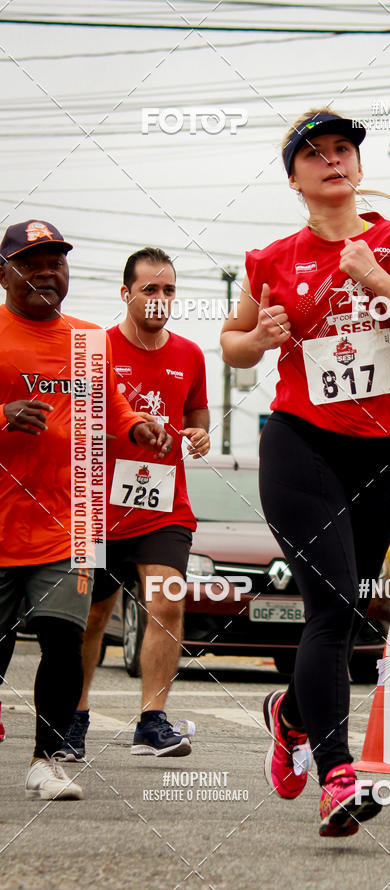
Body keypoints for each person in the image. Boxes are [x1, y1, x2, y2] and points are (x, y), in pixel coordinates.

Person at [220, 109, 390, 837]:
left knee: (350, 609)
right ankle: (338, 775)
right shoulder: (271, 259)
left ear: (356, 166)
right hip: (300, 445)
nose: (332, 160)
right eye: (314, 154)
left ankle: (287, 712)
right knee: (327, 605)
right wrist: (256, 337)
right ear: (294, 178)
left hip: (378, 449)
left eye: (343, 149)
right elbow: (232, 343)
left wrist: (377, 276)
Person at [0, 221, 171, 799]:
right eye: (31, 262)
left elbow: (116, 406)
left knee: (62, 640)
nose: (47, 272)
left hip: (69, 522)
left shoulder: (88, 340)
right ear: (3, 274)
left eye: (56, 262)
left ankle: (47, 760)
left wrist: (139, 426)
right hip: (1, 524)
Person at [56, 247, 210, 763]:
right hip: (95, 508)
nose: (160, 299)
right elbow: (68, 420)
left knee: (166, 602)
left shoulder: (189, 353)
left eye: (169, 290)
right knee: (92, 616)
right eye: (150, 289)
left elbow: (198, 413)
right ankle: (73, 720)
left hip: (164, 507)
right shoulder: (92, 348)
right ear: (126, 294)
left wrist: (200, 435)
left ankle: (151, 721)